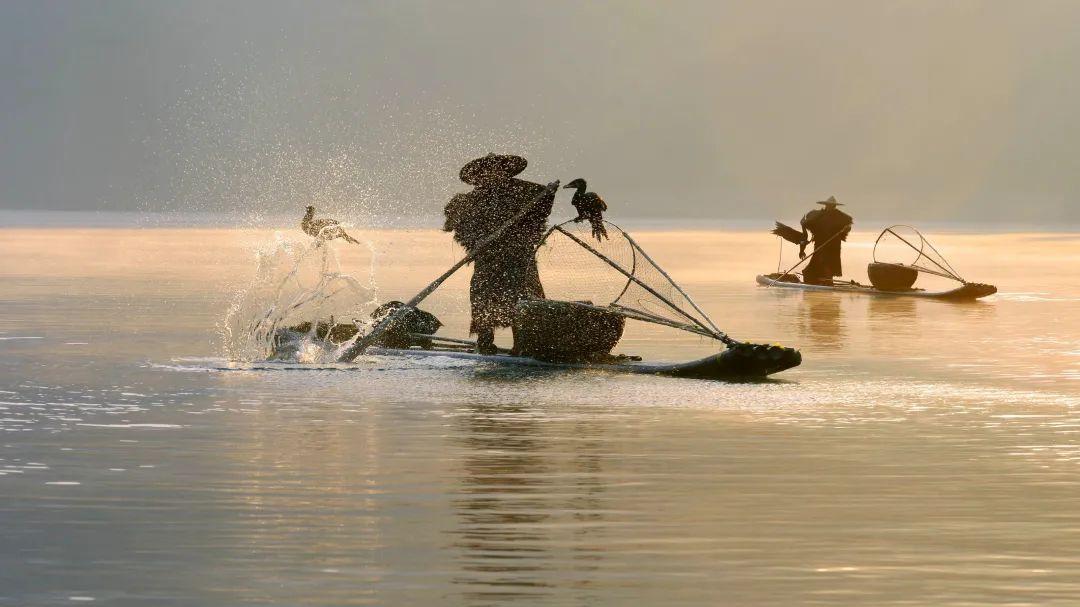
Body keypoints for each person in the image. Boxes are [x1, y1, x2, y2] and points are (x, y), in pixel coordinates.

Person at [443, 154, 556, 354]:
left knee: (522, 299)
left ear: (505, 170)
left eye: (497, 169)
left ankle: (522, 346)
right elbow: (453, 218)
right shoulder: (473, 199)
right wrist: (479, 239)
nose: (493, 173)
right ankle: (485, 343)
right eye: (487, 171)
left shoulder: (522, 191)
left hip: (519, 257)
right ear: (479, 176)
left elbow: (542, 205)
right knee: (483, 298)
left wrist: (549, 191)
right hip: (489, 258)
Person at [799, 196, 853, 285]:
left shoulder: (840, 216)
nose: (830, 207)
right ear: (826, 205)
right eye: (829, 205)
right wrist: (804, 223)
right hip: (820, 244)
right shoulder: (819, 215)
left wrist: (846, 229)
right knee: (815, 264)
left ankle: (828, 282)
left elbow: (847, 226)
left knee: (828, 265)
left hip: (833, 245)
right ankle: (816, 282)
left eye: (832, 206)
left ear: (835, 206)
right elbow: (809, 224)